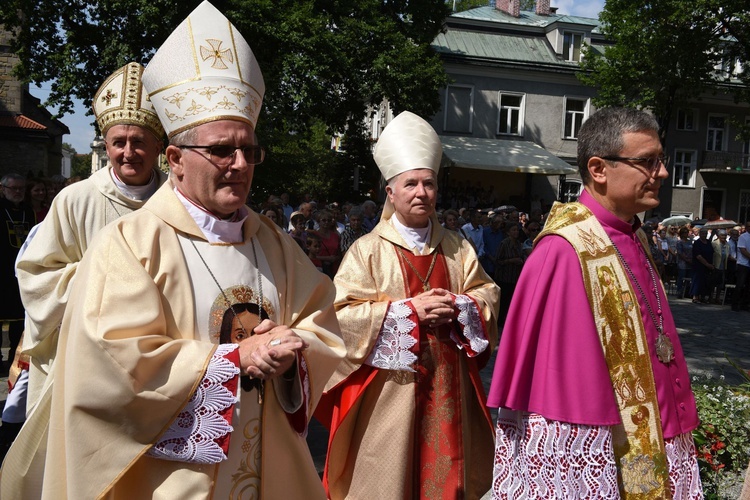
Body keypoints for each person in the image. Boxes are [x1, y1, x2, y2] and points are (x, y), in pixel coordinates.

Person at [1, 3, 345, 498]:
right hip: (169, 480)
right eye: (222, 150)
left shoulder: (272, 240)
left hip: (266, 469)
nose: (241, 164)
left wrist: (293, 354)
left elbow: (322, 322)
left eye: (250, 150)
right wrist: (231, 361)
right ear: (176, 160)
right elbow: (113, 366)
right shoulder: (129, 244)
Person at [488, 107, 701, 498]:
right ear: (599, 169)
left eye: (662, 161)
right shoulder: (565, 250)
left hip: (649, 432)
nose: (663, 173)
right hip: (600, 442)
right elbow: (564, 391)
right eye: (648, 162)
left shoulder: (632, 234)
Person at [319, 111, 500, 499]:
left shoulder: (457, 246)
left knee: (448, 478)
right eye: (411, 184)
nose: (421, 192)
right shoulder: (367, 251)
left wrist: (459, 305)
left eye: (429, 184)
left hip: (449, 386)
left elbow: (488, 293)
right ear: (391, 191)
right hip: (390, 396)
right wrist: (407, 313)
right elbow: (340, 316)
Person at [14, 62, 169, 413]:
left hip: (159, 353)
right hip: (86, 352)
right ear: (106, 144)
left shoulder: (176, 199)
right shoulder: (76, 199)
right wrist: (103, 276)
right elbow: (36, 277)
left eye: (139, 142)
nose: (128, 153)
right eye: (119, 142)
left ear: (159, 146)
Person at [0, 173, 35, 375]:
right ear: (3, 189)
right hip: (1, 269)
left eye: (22, 189)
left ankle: (14, 355)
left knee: (18, 318)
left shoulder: (27, 211)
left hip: (19, 271)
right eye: (14, 189)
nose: (18, 192)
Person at [732, 221, 750, 312]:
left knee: (748, 286)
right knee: (740, 285)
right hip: (743, 264)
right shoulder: (743, 237)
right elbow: (743, 250)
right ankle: (735, 304)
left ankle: (745, 304)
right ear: (746, 227)